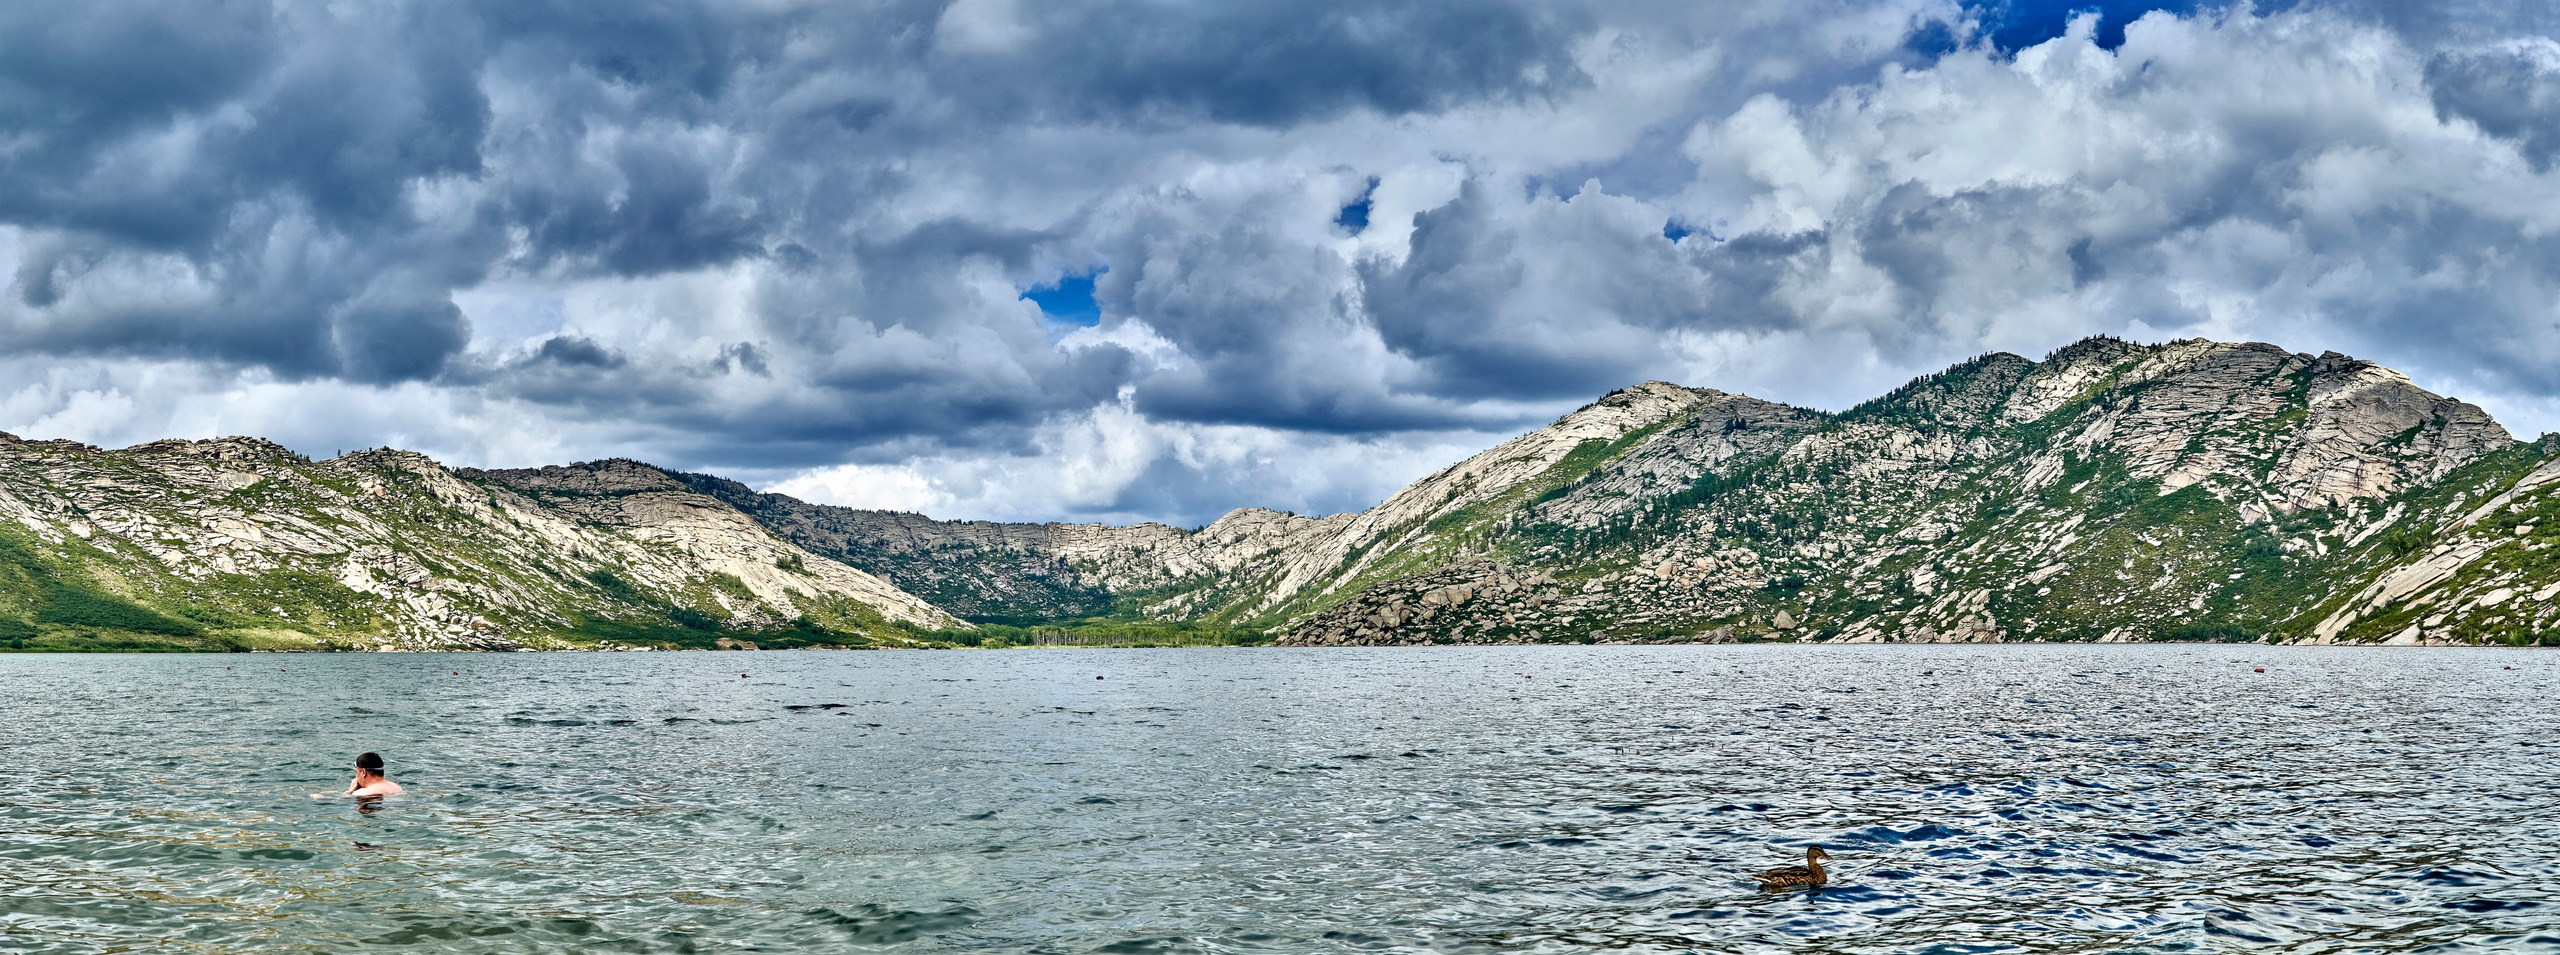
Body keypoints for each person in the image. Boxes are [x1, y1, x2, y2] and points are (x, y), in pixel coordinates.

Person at [330, 752, 404, 799]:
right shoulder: (397, 788)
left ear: (363, 772)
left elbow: (342, 802)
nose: (356, 777)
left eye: (356, 772)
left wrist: (350, 791)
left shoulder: (363, 793)